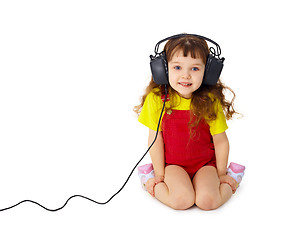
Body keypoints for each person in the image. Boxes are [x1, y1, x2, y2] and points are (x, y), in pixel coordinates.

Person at [134, 34, 244, 210]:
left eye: (195, 69)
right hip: (173, 165)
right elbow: (155, 139)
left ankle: (234, 177)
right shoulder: (156, 100)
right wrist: (160, 174)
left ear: (208, 72)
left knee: (207, 202)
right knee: (182, 201)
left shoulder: (209, 100)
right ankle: (147, 179)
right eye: (177, 67)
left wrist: (221, 174)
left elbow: (220, 140)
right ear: (163, 70)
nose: (185, 75)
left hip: (205, 164)